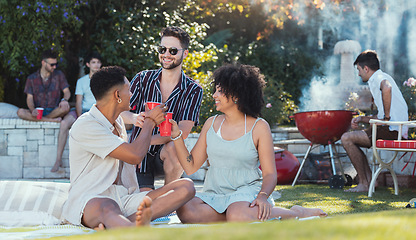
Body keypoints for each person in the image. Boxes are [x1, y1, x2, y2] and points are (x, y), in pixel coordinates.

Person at [170, 63, 327, 223]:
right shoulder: (211, 123)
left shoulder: (259, 126)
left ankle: (296, 213)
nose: (214, 95)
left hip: (246, 192)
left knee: (237, 213)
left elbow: (270, 174)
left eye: (220, 91)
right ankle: (240, 216)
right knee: (185, 209)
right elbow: (190, 166)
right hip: (215, 194)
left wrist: (263, 196)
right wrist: (176, 136)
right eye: (215, 90)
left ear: (237, 95)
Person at [61, 66, 195, 229]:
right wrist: (150, 123)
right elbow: (135, 155)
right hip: (91, 198)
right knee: (108, 207)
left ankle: (120, 224)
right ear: (117, 95)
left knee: (185, 186)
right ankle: (130, 229)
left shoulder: (117, 122)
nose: (131, 95)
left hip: (123, 197)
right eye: (129, 90)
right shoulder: (86, 125)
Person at [121, 26, 203, 190]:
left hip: (165, 154)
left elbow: (183, 131)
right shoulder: (143, 78)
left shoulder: (193, 89)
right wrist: (134, 118)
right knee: (145, 203)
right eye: (162, 49)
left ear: (184, 54)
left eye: (173, 50)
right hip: (138, 157)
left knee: (175, 146)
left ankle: (168, 196)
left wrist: (143, 141)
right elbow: (121, 112)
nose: (166, 54)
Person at [341, 50, 409, 193]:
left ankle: (365, 183)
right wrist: (362, 119)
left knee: (346, 138)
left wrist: (386, 118)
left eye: (359, 70)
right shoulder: (380, 77)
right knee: (351, 139)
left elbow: (387, 88)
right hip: (393, 129)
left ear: (366, 68)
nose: (358, 74)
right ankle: (370, 181)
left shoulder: (378, 77)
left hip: (393, 130)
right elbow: (380, 117)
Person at [51, 52, 103, 172]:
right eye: (93, 62)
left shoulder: (104, 81)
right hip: (82, 111)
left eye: (98, 62)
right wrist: (81, 119)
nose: (96, 65)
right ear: (87, 64)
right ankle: (58, 160)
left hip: (97, 112)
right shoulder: (82, 81)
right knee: (64, 124)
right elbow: (79, 102)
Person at [17, 50, 70, 122]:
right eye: (52, 65)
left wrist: (64, 100)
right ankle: (50, 120)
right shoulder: (31, 78)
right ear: (43, 63)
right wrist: (32, 110)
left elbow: (67, 91)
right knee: (20, 112)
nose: (54, 67)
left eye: (56, 64)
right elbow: (29, 98)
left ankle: (43, 119)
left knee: (65, 108)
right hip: (38, 110)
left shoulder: (59, 75)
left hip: (54, 110)